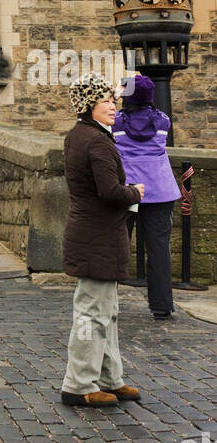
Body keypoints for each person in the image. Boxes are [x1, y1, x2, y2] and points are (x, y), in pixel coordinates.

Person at [60, 73, 145, 408]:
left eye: (113, 100)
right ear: (88, 105)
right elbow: (109, 191)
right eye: (105, 101)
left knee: (106, 312)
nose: (113, 106)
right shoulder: (96, 141)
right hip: (96, 236)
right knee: (90, 314)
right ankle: (79, 384)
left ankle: (110, 378)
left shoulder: (79, 135)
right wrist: (134, 192)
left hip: (95, 235)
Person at [114, 73, 180, 320]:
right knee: (159, 249)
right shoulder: (163, 121)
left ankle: (109, 302)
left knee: (118, 246)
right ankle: (162, 305)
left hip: (128, 191)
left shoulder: (116, 123)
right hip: (159, 192)